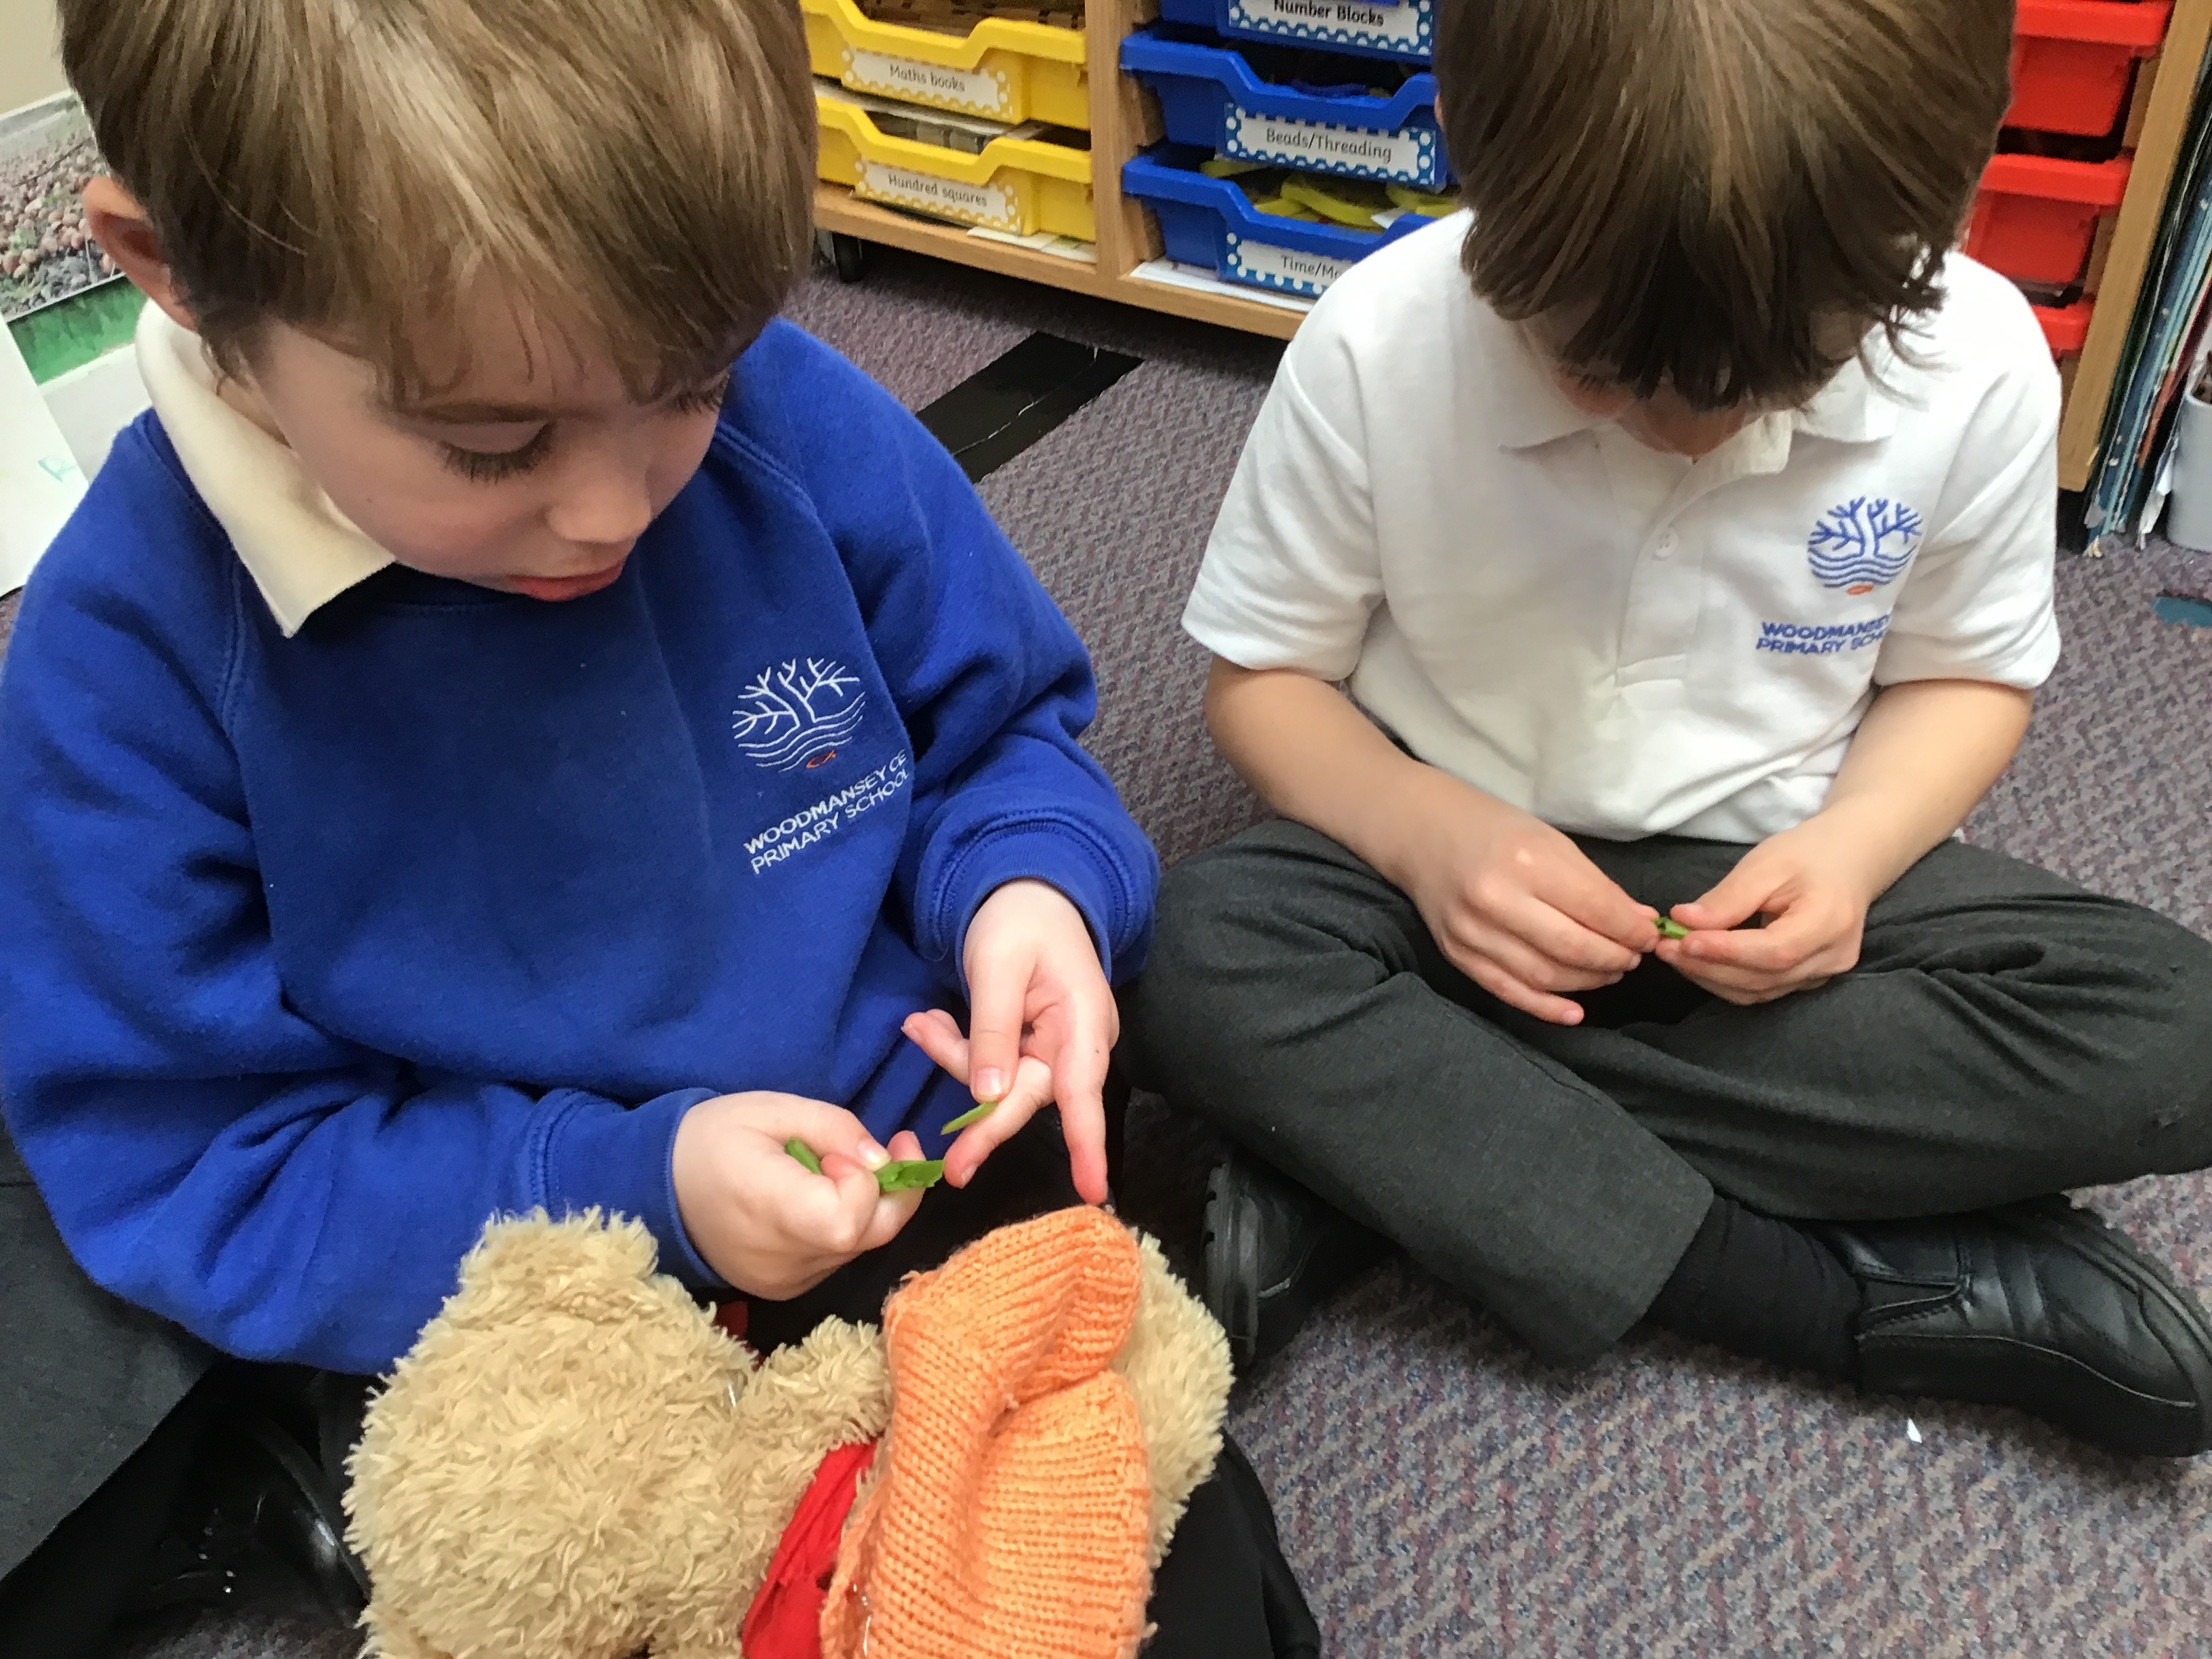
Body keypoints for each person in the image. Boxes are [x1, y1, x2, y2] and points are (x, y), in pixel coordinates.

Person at [0, 3, 1315, 1654]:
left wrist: (1029, 893)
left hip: (915, 1164)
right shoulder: (125, 660)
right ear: (175, 272)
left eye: (689, 387)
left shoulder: (788, 422)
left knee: (1142, 1585)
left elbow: (997, 740)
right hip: (519, 1284)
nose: (615, 508)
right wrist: (642, 1185)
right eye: (492, 444)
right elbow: (206, 1167)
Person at [1123, 0, 2212, 1458]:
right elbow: (1264, 682)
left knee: (2178, 1034)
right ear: (1471, 171)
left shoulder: (1982, 361)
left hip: (1759, 896)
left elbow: (1964, 683)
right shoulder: (1378, 342)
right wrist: (1427, 831)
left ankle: (1394, 1153)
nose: (1689, 433)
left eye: (1779, 381)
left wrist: (1853, 852)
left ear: (1943, 221)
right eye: (1601, 372)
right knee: (1196, 952)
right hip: (1429, 885)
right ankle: (1832, 1298)